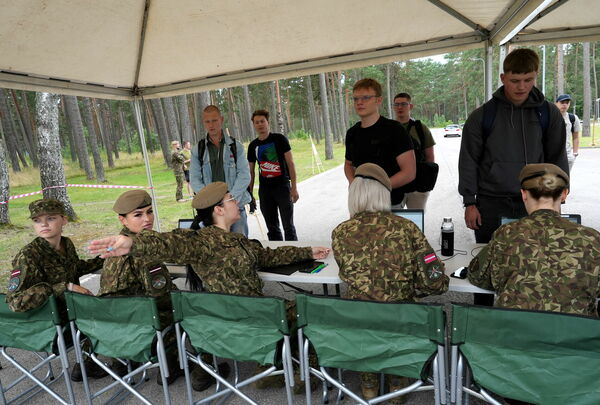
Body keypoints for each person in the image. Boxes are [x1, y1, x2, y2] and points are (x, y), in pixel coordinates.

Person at [459, 48, 568, 306]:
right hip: (490, 203)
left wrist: (558, 198)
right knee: (485, 263)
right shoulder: (482, 116)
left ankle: (528, 315)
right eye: (515, 80)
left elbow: (557, 158)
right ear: (502, 77)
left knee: (534, 263)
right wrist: (469, 202)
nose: (521, 87)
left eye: (528, 80)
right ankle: (482, 317)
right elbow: (468, 160)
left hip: (534, 202)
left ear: (536, 76)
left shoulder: (548, 114)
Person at [332, 163, 448, 403]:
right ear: (383, 193)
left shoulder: (340, 233)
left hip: (359, 325)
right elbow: (434, 283)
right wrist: (427, 274)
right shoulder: (406, 228)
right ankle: (397, 383)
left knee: (367, 311)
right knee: (396, 307)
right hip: (401, 323)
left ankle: (369, 382)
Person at [468, 163, 600, 316]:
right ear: (564, 194)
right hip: (575, 336)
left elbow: (478, 277)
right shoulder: (592, 238)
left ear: (524, 194)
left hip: (516, 334)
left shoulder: (506, 234)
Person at [5, 199, 106, 379]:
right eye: (37, 220)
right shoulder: (29, 255)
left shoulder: (66, 245)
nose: (43, 224)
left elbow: (75, 267)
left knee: (111, 303)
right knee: (108, 313)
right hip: (48, 324)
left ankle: (89, 360)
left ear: (64, 220)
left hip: (71, 311)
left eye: (50, 218)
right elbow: (15, 301)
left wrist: (106, 258)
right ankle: (88, 362)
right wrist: (65, 287)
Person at [344, 78, 416, 208]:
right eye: (355, 99)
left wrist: (377, 187)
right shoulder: (352, 133)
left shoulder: (395, 130)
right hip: (360, 204)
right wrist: (354, 183)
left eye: (365, 98)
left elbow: (409, 172)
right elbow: (348, 165)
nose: (359, 102)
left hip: (390, 203)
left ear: (378, 100)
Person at [189, 105, 251, 236]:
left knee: (240, 244)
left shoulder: (236, 146)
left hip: (235, 206)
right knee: (216, 248)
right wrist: (210, 200)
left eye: (215, 120)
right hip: (212, 211)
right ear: (203, 123)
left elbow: (245, 175)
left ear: (221, 120)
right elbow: (194, 179)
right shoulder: (197, 150)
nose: (211, 125)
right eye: (207, 121)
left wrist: (230, 199)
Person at [247, 109, 298, 241]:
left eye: (262, 121)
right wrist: (250, 193)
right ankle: (279, 257)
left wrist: (294, 187)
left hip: (282, 186)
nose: (260, 124)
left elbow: (291, 164)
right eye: (257, 122)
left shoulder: (279, 139)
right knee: (272, 228)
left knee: (288, 226)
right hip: (265, 191)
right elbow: (251, 171)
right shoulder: (253, 146)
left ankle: (295, 256)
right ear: (254, 125)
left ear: (268, 122)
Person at [393, 92, 436, 210]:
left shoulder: (420, 128)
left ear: (410, 106)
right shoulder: (388, 129)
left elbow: (430, 157)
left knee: (416, 223)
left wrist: (425, 181)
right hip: (395, 185)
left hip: (417, 186)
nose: (400, 107)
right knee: (394, 224)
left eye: (403, 104)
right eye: (396, 105)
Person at [555, 94, 581, 171]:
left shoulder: (573, 118)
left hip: (568, 155)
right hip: (552, 155)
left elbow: (575, 136)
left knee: (565, 179)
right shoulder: (551, 117)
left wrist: (575, 153)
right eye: (562, 102)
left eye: (567, 102)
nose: (565, 105)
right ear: (556, 103)